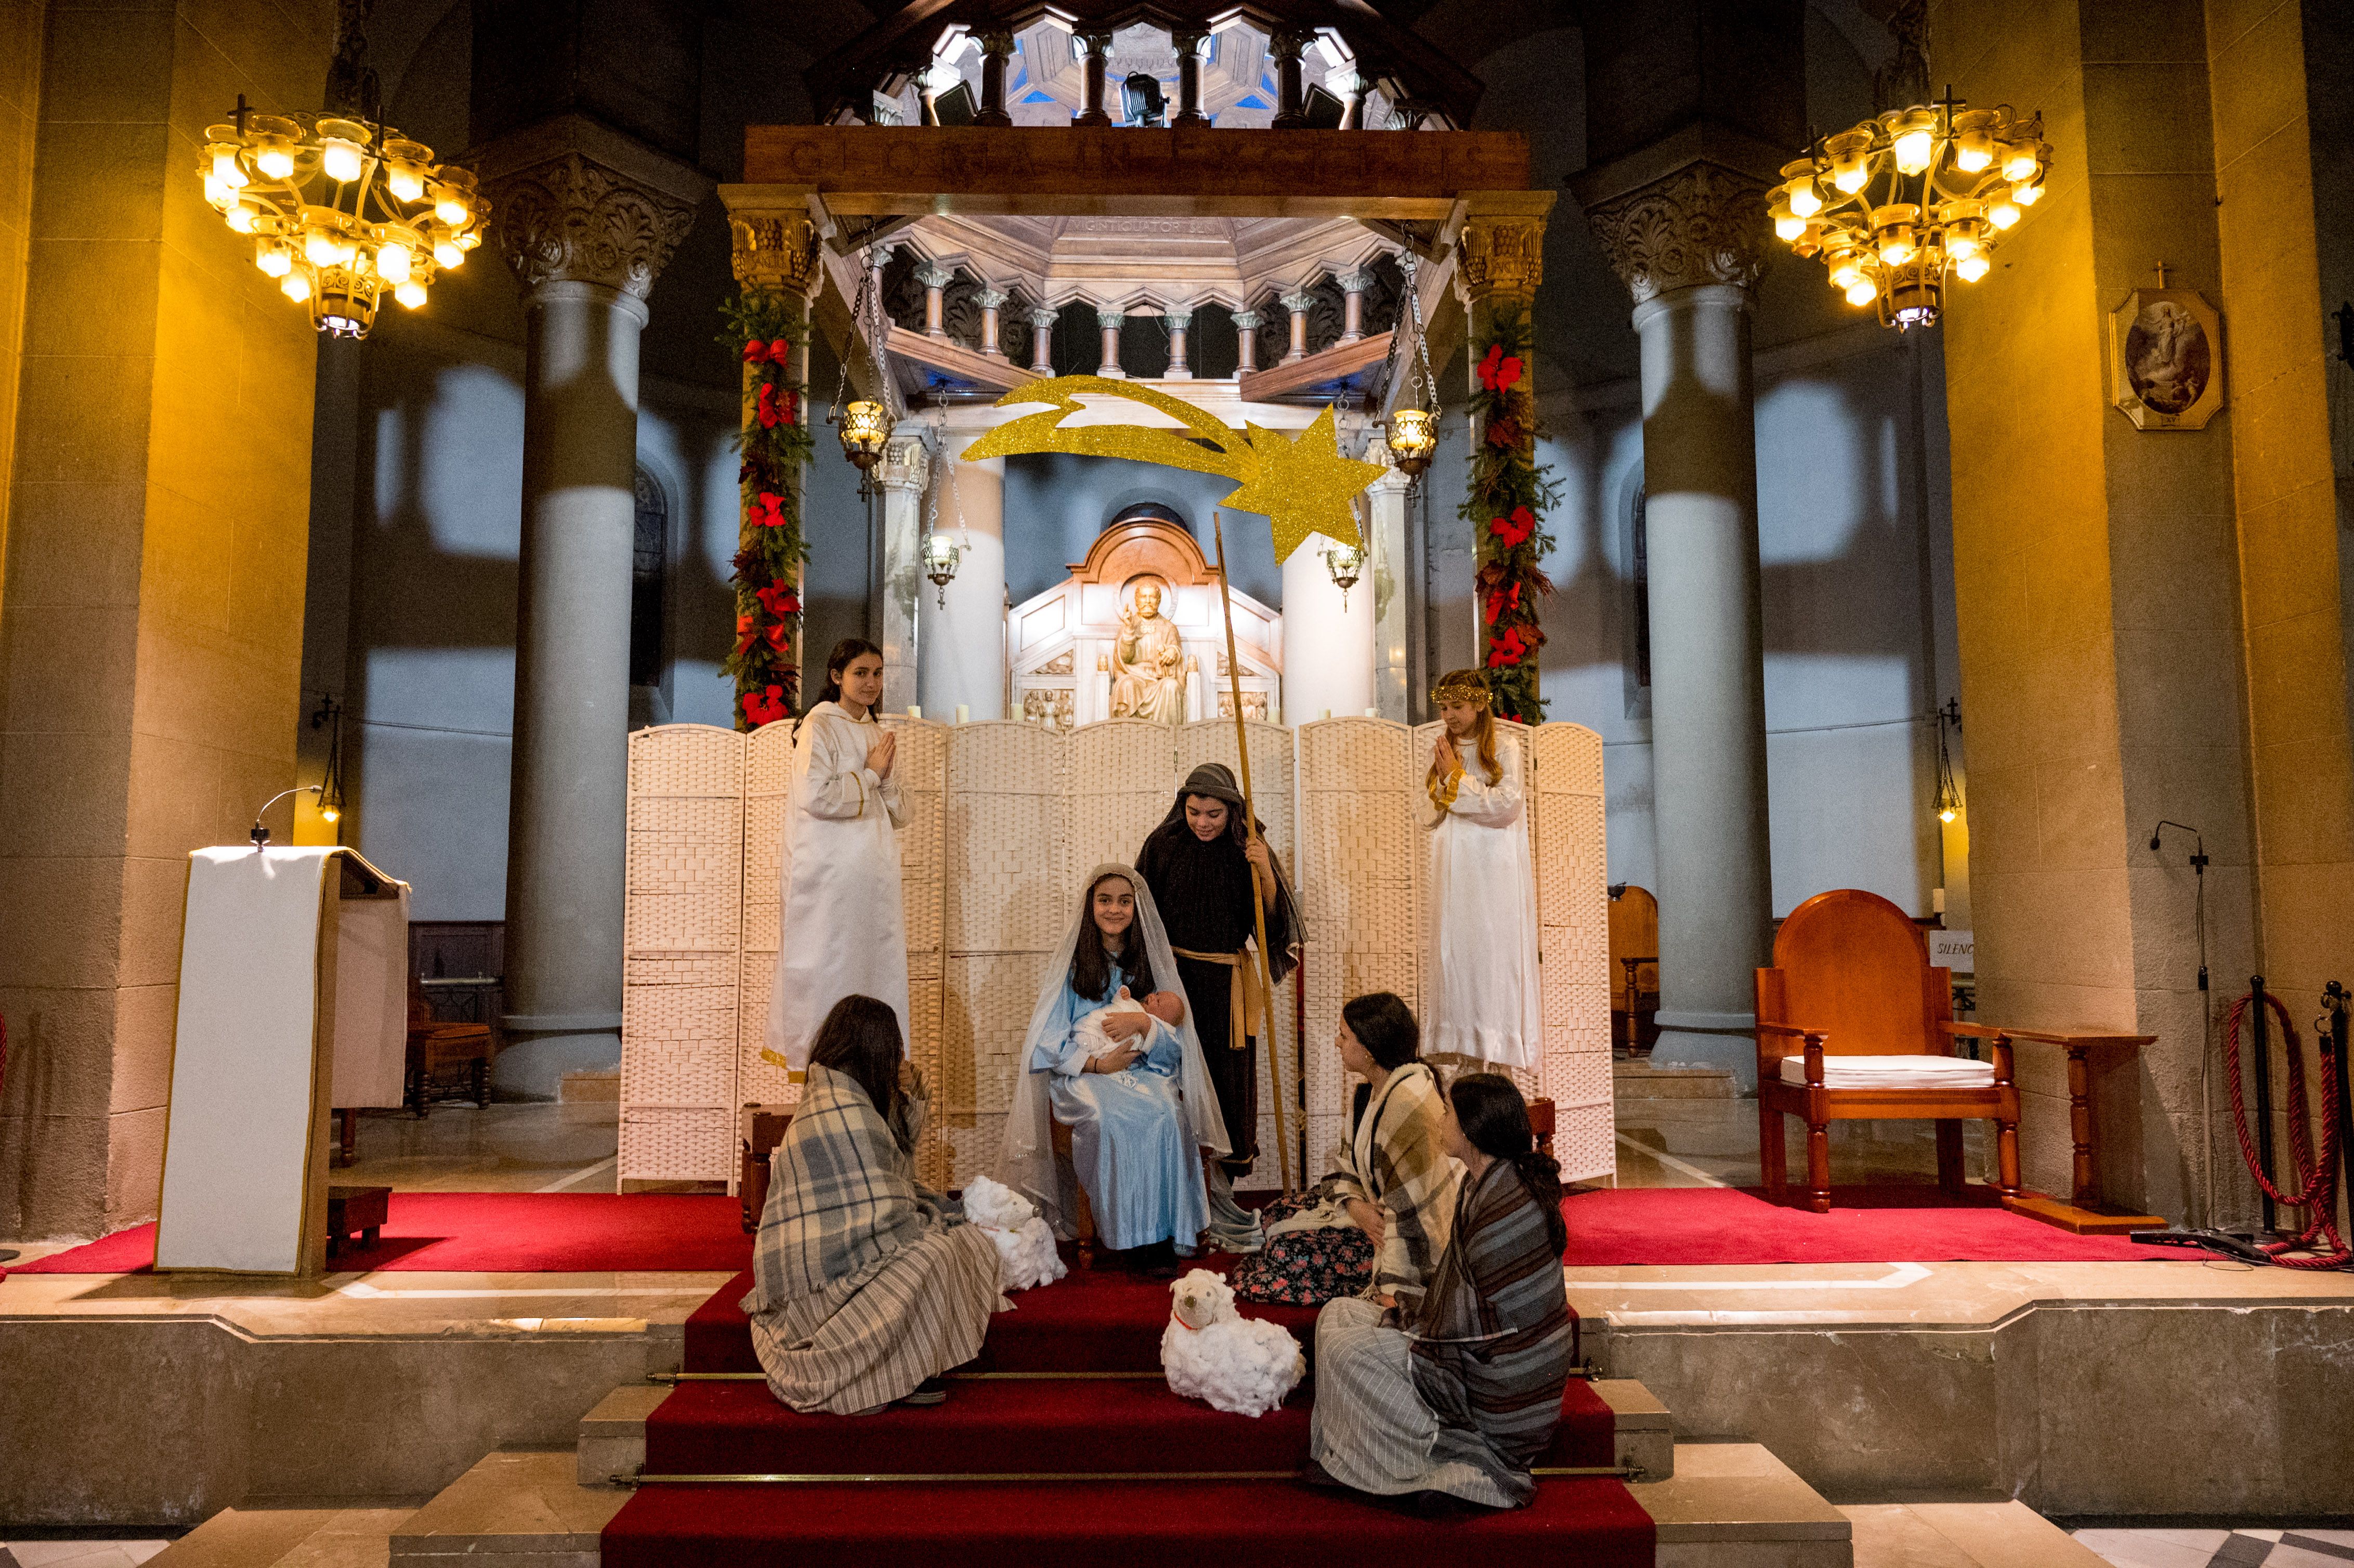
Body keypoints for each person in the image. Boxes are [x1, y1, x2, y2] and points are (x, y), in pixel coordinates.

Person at [1308, 1072, 1573, 1509]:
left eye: (1447, 1113)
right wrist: (1407, 1309)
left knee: (1346, 1350)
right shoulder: (1480, 1183)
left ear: (1470, 1129)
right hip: (1471, 1348)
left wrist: (1405, 1315)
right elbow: (1463, 1303)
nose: (1439, 1121)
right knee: (1335, 1315)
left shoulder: (1510, 1201)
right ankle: (1341, 1457)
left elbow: (1475, 1323)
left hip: (1502, 1388)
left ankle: (1410, 1468)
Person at [744, 996, 1002, 1415]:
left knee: (955, 1246)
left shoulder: (841, 1096)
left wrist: (909, 1097)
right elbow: (891, 1205)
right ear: (873, 1050)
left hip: (843, 1261)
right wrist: (928, 1221)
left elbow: (894, 1170)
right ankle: (880, 1374)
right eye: (894, 1049)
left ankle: (905, 1367)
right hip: (823, 1289)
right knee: (939, 1254)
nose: (899, 1058)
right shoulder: (842, 1110)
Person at [1003, 866, 1228, 1261]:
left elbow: (1175, 1044)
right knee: (1105, 1118)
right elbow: (1048, 1041)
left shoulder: (1151, 963)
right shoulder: (1073, 966)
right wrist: (1096, 1065)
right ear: (1090, 905)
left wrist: (1143, 1023)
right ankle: (1126, 1234)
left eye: (1125, 901)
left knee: (1168, 1113)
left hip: (1143, 1071)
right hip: (1087, 1075)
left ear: (1136, 907)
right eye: (1105, 900)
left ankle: (1165, 1233)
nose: (1114, 909)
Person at [1134, 761, 1303, 1251]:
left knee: (1227, 1084)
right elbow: (1143, 915)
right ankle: (1174, 1196)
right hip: (1174, 984)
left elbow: (1272, 928)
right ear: (1181, 807)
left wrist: (1264, 871)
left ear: (1232, 811)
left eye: (1213, 813)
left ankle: (1221, 1198)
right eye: (1194, 812)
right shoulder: (1163, 845)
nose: (1203, 822)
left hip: (1227, 984)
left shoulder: (1247, 848)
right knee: (1174, 1082)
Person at [1233, 992, 1458, 1306]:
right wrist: (1356, 1207)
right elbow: (1347, 1163)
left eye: (1344, 1036)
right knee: (1273, 1214)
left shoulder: (1407, 1106)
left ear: (1368, 1048)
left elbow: (1416, 1210)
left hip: (1394, 1234)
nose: (1337, 1043)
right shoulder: (1367, 1092)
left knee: (1283, 1251)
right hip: (1371, 1210)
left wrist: (1391, 1288)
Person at [766, 639, 909, 1069]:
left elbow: (902, 812)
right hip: (828, 877)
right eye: (861, 673)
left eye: (878, 673)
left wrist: (881, 780)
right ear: (836, 677)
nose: (872, 683)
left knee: (874, 966)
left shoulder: (874, 732)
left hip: (872, 874)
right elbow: (816, 796)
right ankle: (825, 1066)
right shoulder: (819, 726)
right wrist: (869, 775)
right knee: (829, 965)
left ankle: (870, 1065)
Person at [1423, 669, 1542, 1069]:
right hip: (1453, 869)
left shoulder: (1505, 747)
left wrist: (1456, 779)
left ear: (1479, 703)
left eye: (1457, 706)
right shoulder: (1443, 747)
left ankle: (1498, 1054)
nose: (1449, 715)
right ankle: (1466, 1052)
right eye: (1444, 707)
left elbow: (1506, 805)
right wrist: (1444, 784)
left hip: (1492, 872)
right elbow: (1427, 813)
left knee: (1491, 955)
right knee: (1454, 954)